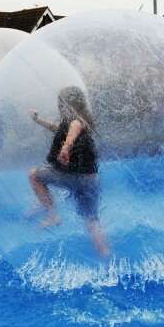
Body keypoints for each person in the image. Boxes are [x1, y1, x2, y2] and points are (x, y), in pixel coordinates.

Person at [29, 86, 110, 257]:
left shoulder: (76, 122)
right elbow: (56, 127)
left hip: (75, 178)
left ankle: (52, 215)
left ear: (67, 105)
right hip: (91, 180)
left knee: (34, 175)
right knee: (92, 221)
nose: (60, 108)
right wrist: (38, 120)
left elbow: (73, 129)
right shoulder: (84, 120)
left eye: (62, 104)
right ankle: (106, 256)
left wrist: (65, 148)